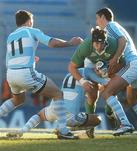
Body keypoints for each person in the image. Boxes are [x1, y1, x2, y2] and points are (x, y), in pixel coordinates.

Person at [1, 10, 83, 139]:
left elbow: (10, 59)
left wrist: (30, 62)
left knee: (18, 100)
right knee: (58, 94)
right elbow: (52, 43)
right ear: (29, 22)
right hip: (25, 73)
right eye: (32, 22)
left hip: (11, 74)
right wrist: (70, 43)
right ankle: (63, 131)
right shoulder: (31, 31)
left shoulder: (10, 36)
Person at [95, 7, 137, 139]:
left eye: (97, 18)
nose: (97, 21)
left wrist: (115, 58)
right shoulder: (115, 27)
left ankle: (125, 124)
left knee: (107, 93)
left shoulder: (110, 26)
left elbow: (123, 41)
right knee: (133, 100)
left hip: (132, 64)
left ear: (102, 17)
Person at [68, 26, 134, 137]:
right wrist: (83, 81)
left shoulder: (113, 45)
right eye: (96, 44)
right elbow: (72, 67)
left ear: (106, 42)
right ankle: (90, 126)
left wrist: (109, 71)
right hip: (92, 70)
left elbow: (122, 64)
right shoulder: (85, 46)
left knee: (109, 93)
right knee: (92, 95)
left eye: (101, 43)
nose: (98, 47)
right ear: (92, 42)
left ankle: (110, 112)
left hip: (110, 69)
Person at [7, 68, 108, 138]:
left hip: (57, 106)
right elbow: (102, 85)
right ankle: (67, 130)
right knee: (97, 119)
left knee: (39, 115)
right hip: (69, 115)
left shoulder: (71, 73)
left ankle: (22, 131)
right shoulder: (88, 73)